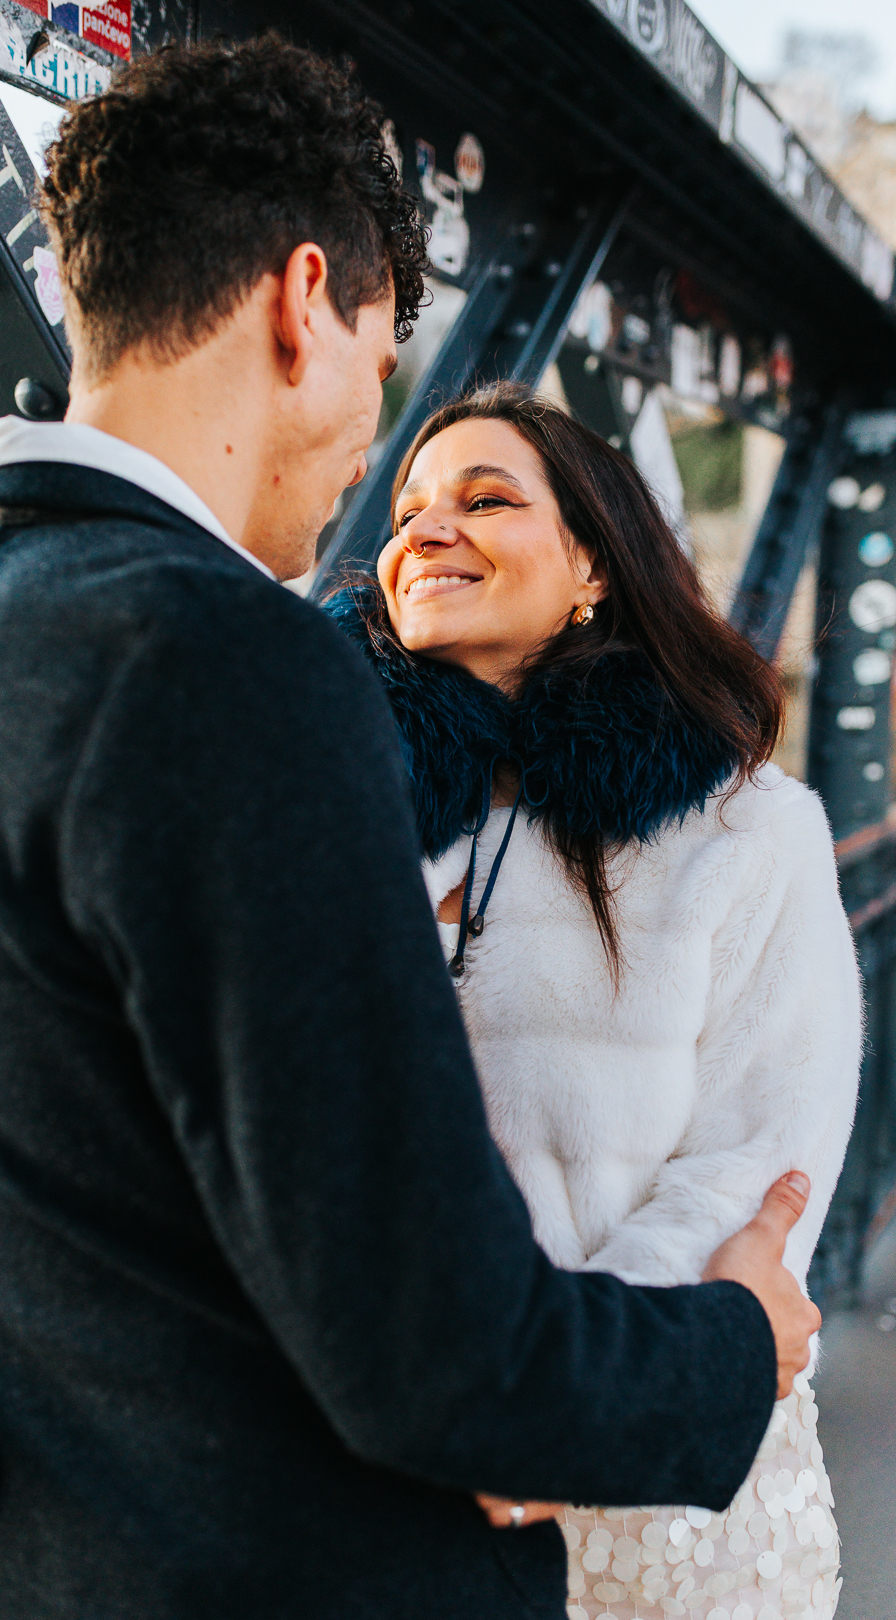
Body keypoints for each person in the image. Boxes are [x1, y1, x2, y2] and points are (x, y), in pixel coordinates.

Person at [0, 35, 821, 1620]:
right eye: (384, 366)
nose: (379, 452)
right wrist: (735, 1346)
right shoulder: (239, 662)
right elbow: (440, 1353)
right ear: (307, 300)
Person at [328, 382, 860, 1620]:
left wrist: (561, 1399)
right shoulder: (337, 815)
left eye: (486, 499)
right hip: (418, 1471)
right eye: (406, 512)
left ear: (593, 566)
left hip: (661, 1472)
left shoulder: (744, 830)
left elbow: (759, 1166)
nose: (427, 529)